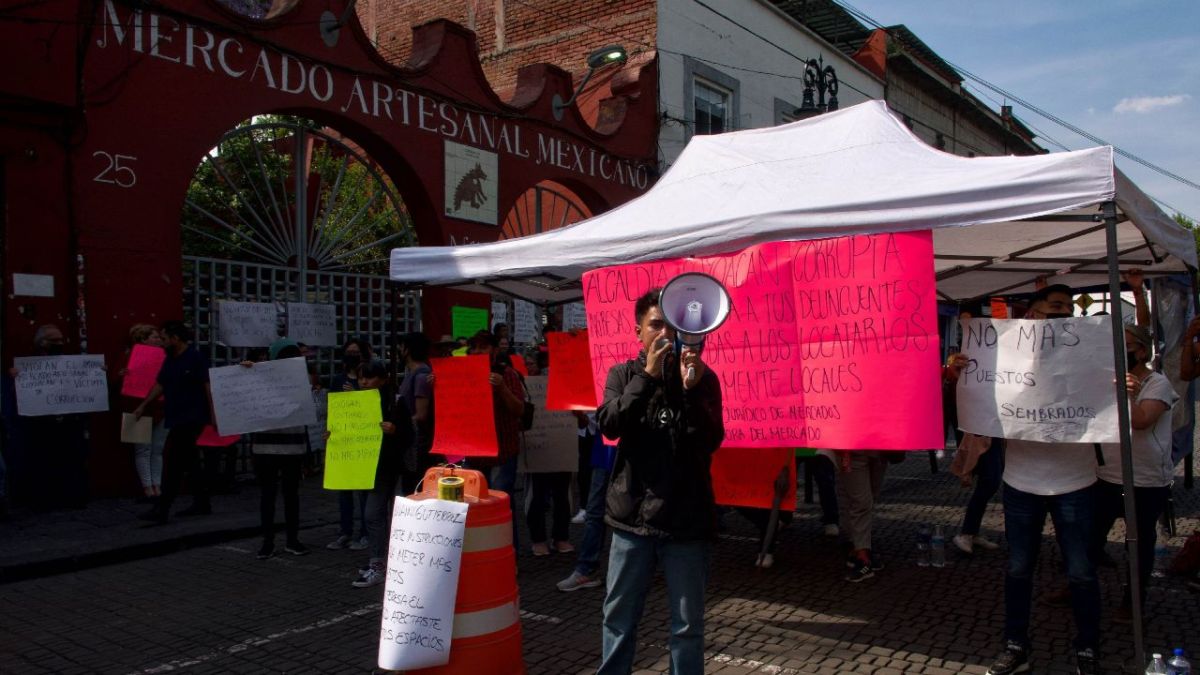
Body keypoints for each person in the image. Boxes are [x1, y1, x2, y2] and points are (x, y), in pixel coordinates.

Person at [595, 289, 724, 675]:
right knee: (619, 618)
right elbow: (610, 425)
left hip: (686, 520)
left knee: (687, 626)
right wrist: (648, 377)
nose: (665, 332)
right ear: (639, 333)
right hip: (631, 518)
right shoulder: (622, 374)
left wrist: (693, 392)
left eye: (673, 324)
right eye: (656, 324)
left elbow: (710, 441)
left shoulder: (702, 379)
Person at [985, 284, 1103, 675]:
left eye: (1068, 308)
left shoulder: (1090, 355)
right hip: (1022, 481)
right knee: (1018, 568)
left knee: (1081, 571)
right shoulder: (1005, 359)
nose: (1063, 314)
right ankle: (1016, 644)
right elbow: (982, 407)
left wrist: (1127, 392)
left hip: (1077, 481)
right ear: (1033, 315)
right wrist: (963, 379)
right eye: (1054, 308)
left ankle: (1087, 648)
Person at [1091, 324, 1176, 622]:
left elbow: (1141, 421)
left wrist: (1127, 396)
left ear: (1140, 350)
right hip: (1106, 473)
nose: (1118, 351)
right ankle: (1076, 585)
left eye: (1125, 345)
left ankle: (1133, 601)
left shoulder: (1158, 384)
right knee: (1089, 538)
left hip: (1145, 478)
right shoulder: (1106, 379)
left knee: (1138, 542)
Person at [134, 320, 213, 524]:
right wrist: (144, 405)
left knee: (175, 463)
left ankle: (162, 507)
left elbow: (207, 386)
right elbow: (161, 384)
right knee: (190, 462)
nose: (161, 341)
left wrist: (213, 415)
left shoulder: (195, 358)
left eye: (164, 337)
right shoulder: (170, 359)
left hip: (192, 417)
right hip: (176, 416)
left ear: (175, 338)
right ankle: (202, 502)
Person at [7, 324, 90, 511]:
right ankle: (45, 499)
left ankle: (70, 497)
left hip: (66, 423)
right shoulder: (30, 365)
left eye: (61, 340)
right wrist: (16, 378)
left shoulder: (67, 363)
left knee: (69, 460)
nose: (59, 343)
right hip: (40, 425)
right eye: (55, 341)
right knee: (44, 461)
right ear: (42, 343)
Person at [243, 339, 312, 559]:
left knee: (283, 496)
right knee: (274, 496)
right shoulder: (259, 376)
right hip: (273, 448)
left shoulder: (302, 378)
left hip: (284, 448)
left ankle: (284, 541)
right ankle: (274, 541)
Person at [349, 359, 412, 588]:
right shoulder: (353, 403)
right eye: (361, 377)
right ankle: (381, 560)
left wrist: (395, 429)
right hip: (363, 466)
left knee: (372, 514)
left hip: (385, 467)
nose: (364, 381)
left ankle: (378, 564)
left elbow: (409, 436)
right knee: (373, 514)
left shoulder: (395, 403)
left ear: (383, 380)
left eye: (370, 377)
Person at [557, 413, 612, 591]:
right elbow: (593, 422)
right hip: (606, 451)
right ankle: (587, 569)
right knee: (595, 511)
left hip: (634, 453)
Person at [326, 336, 372, 551]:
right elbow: (332, 410)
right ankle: (345, 531)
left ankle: (365, 533)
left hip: (362, 441)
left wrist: (357, 396)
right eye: (349, 352)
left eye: (356, 352)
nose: (352, 356)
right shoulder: (337, 380)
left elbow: (374, 408)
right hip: (343, 441)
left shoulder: (368, 380)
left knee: (363, 491)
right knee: (344, 490)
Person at [120, 324, 168, 501]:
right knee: (143, 449)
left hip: (159, 407)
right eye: (154, 337)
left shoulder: (165, 357)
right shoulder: (128, 356)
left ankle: (156, 485)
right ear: (142, 339)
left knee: (156, 449)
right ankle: (148, 486)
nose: (158, 340)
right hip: (137, 406)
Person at [838, 450, 891, 582]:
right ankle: (862, 556)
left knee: (868, 500)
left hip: (879, 450)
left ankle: (860, 549)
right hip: (854, 450)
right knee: (861, 502)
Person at [396, 332, 434, 494]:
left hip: (417, 446)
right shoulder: (412, 374)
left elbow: (421, 414)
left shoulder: (420, 376)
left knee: (413, 489)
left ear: (407, 350)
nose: (398, 350)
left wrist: (398, 426)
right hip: (410, 442)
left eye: (400, 346)